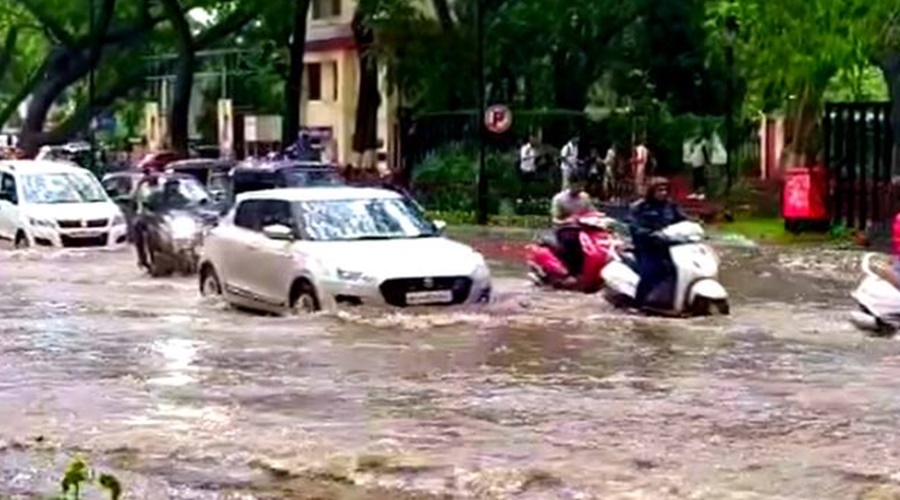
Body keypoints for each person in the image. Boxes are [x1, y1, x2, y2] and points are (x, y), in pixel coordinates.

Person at [629, 177, 687, 309]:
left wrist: (695, 228)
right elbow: (634, 227)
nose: (663, 193)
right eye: (660, 190)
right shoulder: (639, 207)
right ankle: (639, 304)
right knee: (650, 272)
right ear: (651, 191)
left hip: (670, 247)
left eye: (666, 190)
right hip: (647, 247)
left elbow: (684, 219)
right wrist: (651, 234)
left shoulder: (671, 206)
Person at [550, 171, 594, 285]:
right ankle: (572, 272)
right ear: (570, 184)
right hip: (565, 229)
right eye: (578, 185)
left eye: (582, 185)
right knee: (572, 240)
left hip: (583, 227)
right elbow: (555, 220)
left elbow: (592, 212)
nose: (580, 188)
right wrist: (567, 221)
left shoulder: (585, 197)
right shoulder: (559, 199)